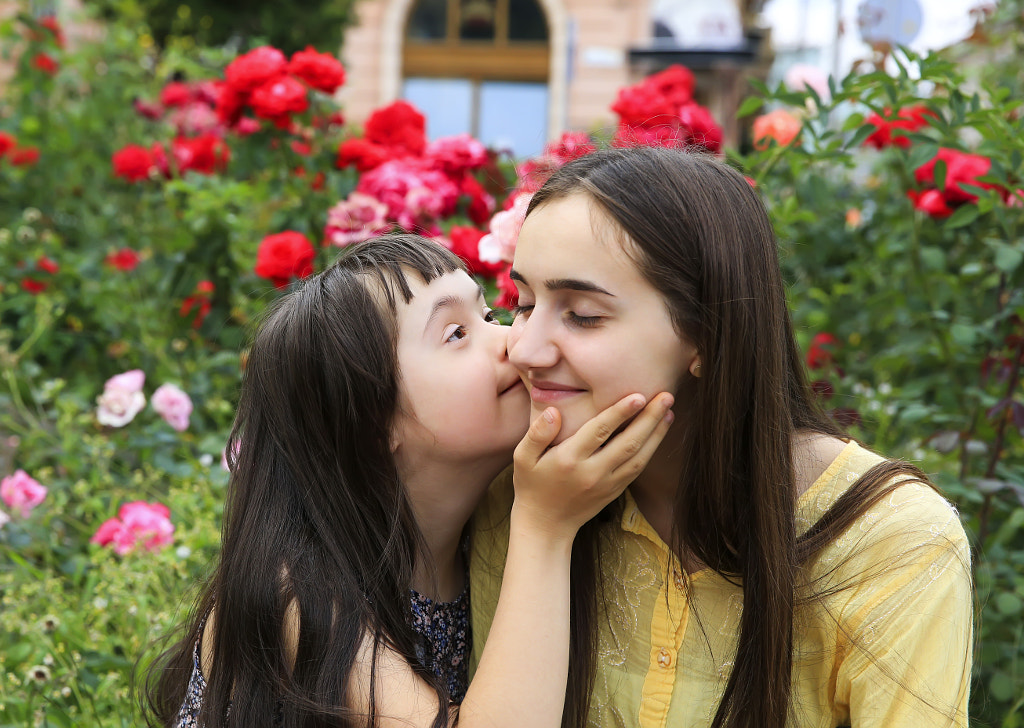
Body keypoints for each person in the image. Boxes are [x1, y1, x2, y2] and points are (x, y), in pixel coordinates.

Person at [468, 147, 973, 728]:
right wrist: (540, 530)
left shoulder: (892, 542)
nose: (525, 348)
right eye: (523, 303)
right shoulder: (521, 497)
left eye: (582, 314)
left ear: (708, 333)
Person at [143, 234, 675, 728]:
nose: (514, 342)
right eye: (457, 334)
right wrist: (545, 528)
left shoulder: (486, 527)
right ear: (373, 423)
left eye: (490, 314)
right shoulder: (302, 594)